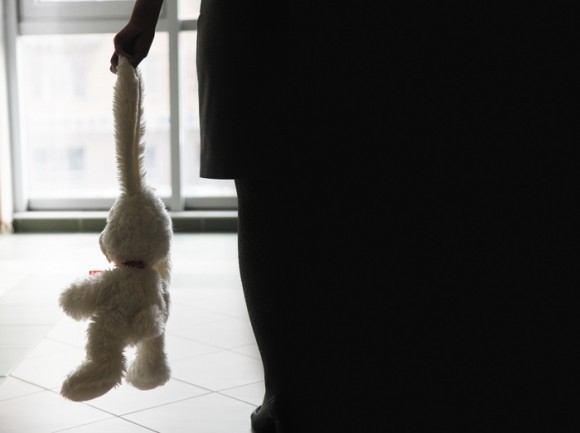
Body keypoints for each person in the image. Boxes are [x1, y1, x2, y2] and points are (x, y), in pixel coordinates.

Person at [113, 2, 577, 432]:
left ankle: (289, 397)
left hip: (258, 24)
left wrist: (145, 16)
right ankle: (320, 391)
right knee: (330, 196)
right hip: (332, 25)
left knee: (270, 199)